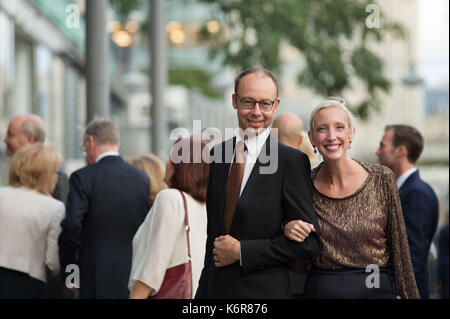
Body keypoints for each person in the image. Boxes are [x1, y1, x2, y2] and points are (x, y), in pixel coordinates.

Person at [195, 68, 320, 299]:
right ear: (234, 101)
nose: (256, 112)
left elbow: (309, 244)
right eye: (248, 102)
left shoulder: (290, 162)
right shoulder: (218, 155)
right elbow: (213, 239)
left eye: (265, 104)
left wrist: (243, 252)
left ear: (276, 104)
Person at [284, 97, 419, 299]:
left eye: (339, 127)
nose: (331, 136)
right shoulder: (303, 185)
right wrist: (287, 228)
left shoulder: (381, 179)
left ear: (351, 133)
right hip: (321, 292)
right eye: (322, 129)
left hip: (374, 289)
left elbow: (400, 251)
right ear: (312, 138)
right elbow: (299, 264)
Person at [58, 119, 151, 299]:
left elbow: (71, 226)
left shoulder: (83, 178)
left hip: (93, 274)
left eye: (84, 147)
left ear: (91, 142)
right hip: (133, 274)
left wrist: (71, 274)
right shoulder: (141, 179)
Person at [128, 137, 209, 298]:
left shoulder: (170, 198)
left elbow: (154, 264)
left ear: (183, 167)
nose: (166, 163)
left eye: (172, 159)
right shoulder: (204, 206)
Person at [376, 125, 439, 298]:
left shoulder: (417, 193)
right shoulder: (405, 190)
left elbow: (411, 257)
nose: (377, 151)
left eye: (382, 146)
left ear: (400, 151)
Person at [0, 144, 64, 298]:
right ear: (46, 174)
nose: (57, 177)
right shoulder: (54, 207)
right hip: (29, 282)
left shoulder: (1, 194)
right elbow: (53, 261)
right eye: (56, 171)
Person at [3, 114, 69, 204]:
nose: (5, 140)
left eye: (10, 135)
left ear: (30, 139)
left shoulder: (55, 174)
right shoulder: (12, 169)